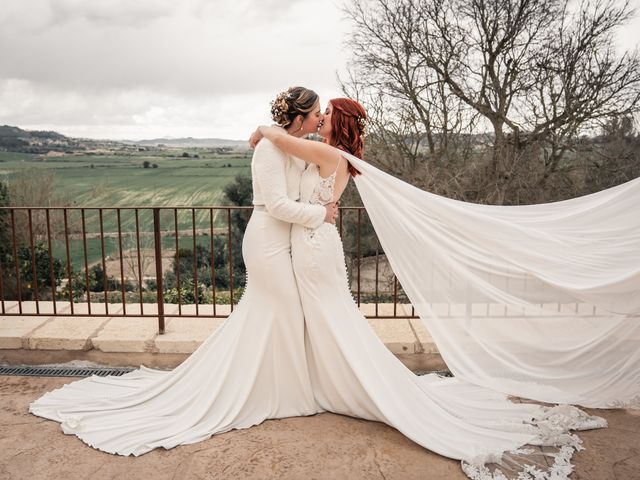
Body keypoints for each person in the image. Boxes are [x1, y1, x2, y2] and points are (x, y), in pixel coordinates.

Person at [249, 97, 621, 479]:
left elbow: (281, 141)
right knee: (329, 317)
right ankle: (328, 381)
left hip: (314, 248)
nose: (321, 117)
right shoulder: (331, 152)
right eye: (318, 113)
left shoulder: (331, 154)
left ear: (339, 122)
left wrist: (264, 129)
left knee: (331, 317)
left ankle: (355, 385)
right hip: (313, 242)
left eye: (327, 113)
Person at [28, 86, 338, 456]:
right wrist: (321, 214)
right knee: (285, 311)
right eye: (317, 111)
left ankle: (265, 384)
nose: (321, 117)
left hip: (284, 243)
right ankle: (284, 394)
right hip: (267, 241)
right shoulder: (271, 149)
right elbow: (277, 204)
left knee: (273, 315)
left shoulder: (289, 144)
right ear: (300, 118)